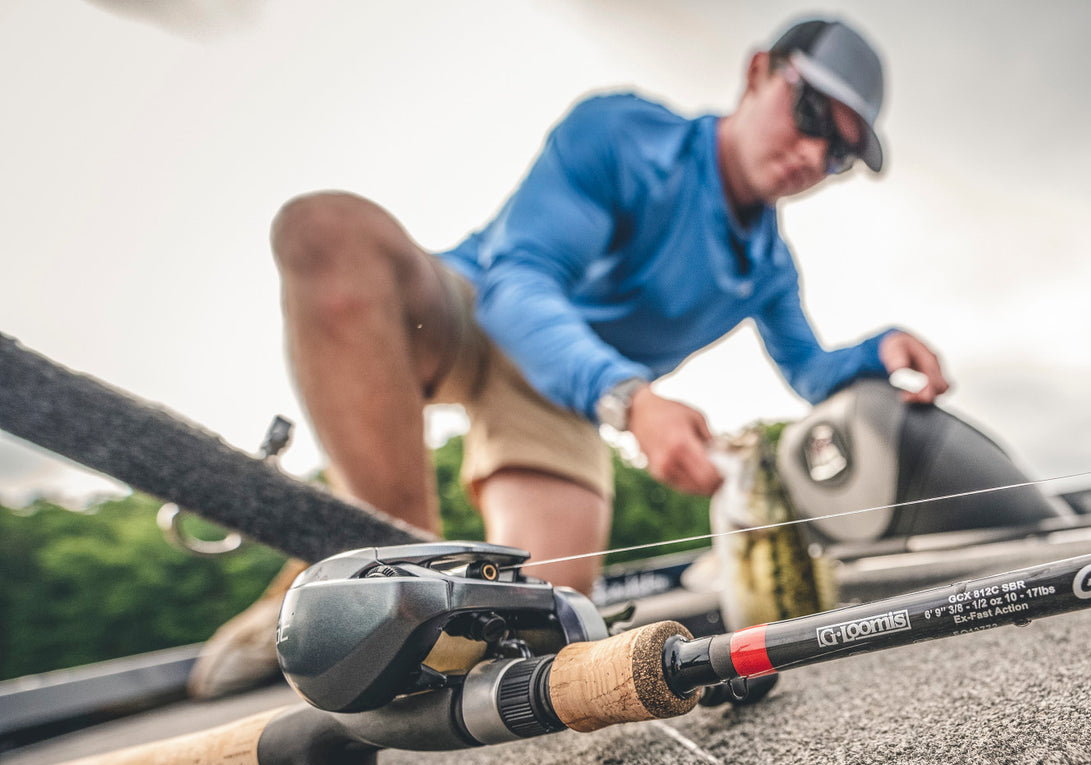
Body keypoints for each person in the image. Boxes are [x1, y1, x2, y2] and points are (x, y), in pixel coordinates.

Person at [189, 16, 949, 697]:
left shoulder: (770, 269)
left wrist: (878, 349)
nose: (814, 154)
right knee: (327, 231)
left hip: (560, 400)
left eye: (842, 152)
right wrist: (630, 400)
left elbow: (809, 371)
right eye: (811, 113)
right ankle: (376, 561)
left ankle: (356, 573)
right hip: (476, 312)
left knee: (539, 620)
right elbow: (518, 286)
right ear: (757, 73)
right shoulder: (619, 131)